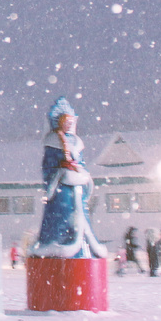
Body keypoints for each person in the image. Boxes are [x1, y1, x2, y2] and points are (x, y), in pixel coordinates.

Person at [29, 98, 106, 260]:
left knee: (81, 216)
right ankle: (56, 242)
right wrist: (60, 173)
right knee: (61, 215)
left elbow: (81, 163)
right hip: (62, 187)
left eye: (71, 121)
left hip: (77, 186)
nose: (69, 124)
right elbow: (48, 166)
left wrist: (82, 173)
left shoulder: (76, 142)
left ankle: (82, 246)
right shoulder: (53, 141)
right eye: (66, 121)